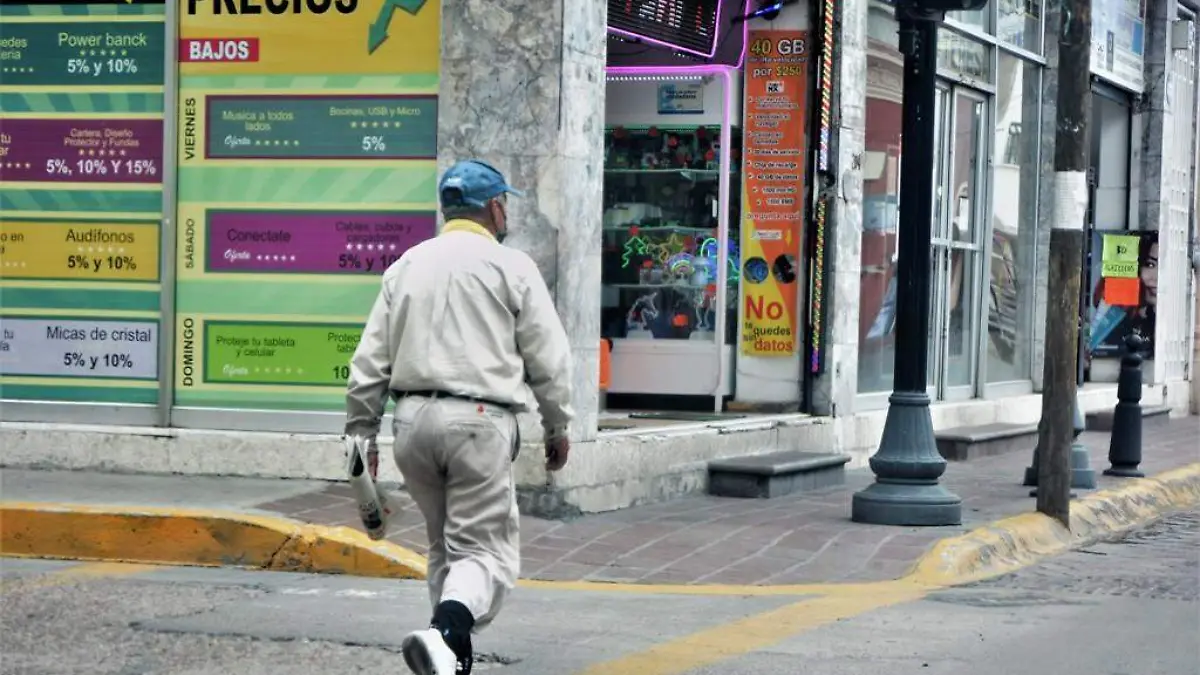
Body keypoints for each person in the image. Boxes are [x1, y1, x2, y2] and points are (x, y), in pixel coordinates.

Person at [343, 159, 575, 675]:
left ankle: (449, 659)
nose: (507, 211)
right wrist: (558, 424)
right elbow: (549, 358)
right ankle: (445, 634)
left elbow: (368, 363)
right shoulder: (511, 266)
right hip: (478, 422)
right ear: (495, 207)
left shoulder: (405, 265)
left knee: (445, 549)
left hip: (412, 422)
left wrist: (363, 434)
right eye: (505, 203)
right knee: (484, 553)